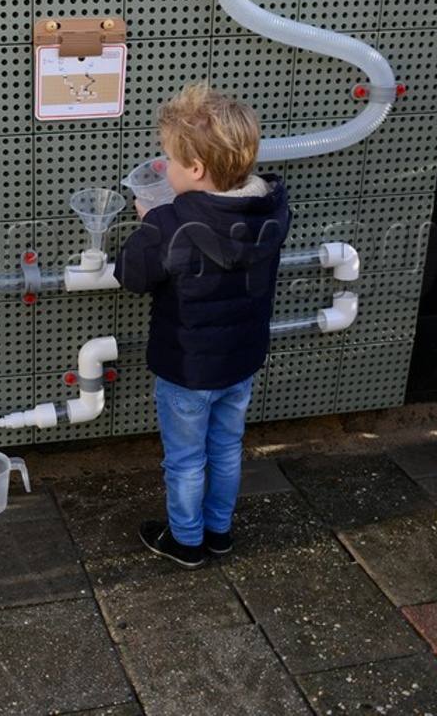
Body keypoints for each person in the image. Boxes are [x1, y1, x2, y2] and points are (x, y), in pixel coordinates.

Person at [114, 82, 290, 568]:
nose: (163, 167)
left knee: (186, 460)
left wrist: (151, 223)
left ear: (194, 169)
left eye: (169, 159)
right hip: (241, 361)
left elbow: (131, 275)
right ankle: (219, 531)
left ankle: (186, 541)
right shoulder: (272, 210)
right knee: (227, 448)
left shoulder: (169, 224)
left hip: (188, 370)